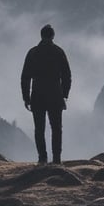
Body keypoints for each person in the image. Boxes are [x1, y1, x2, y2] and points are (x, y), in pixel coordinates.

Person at [21, 24, 72, 165]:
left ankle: (42, 158)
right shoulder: (59, 52)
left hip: (37, 95)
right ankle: (56, 159)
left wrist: (26, 97)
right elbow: (67, 75)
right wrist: (65, 94)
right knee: (56, 129)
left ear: (41, 35)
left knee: (39, 129)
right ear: (53, 36)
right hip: (55, 95)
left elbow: (25, 77)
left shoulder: (33, 53)